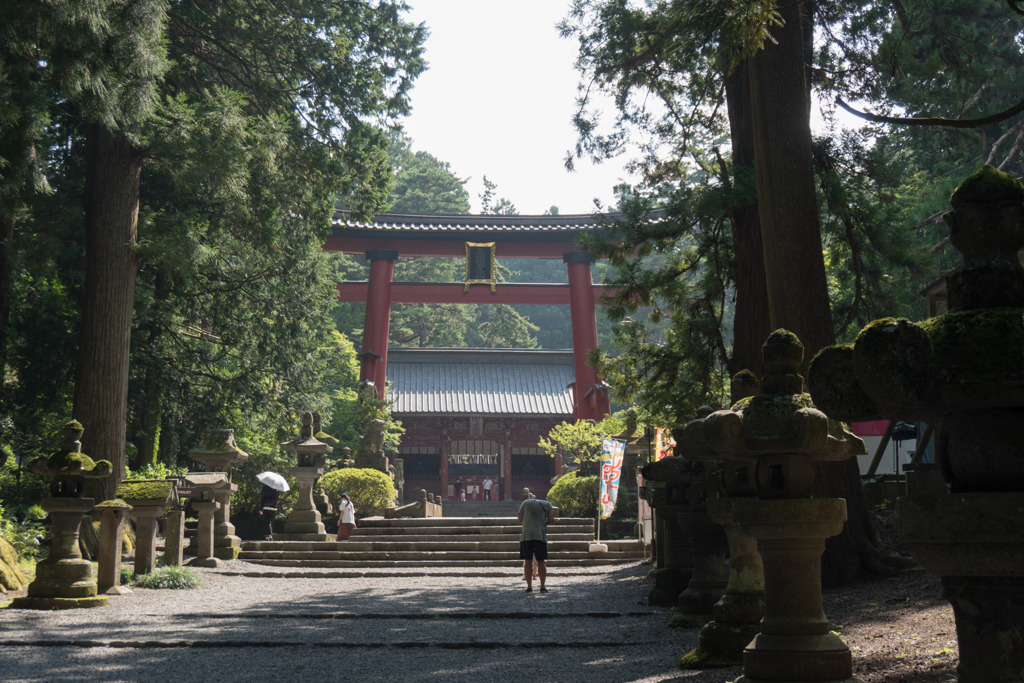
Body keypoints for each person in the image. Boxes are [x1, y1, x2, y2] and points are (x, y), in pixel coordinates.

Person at [517, 496, 554, 593]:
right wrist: (543, 524)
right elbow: (551, 519)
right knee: (541, 561)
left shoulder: (525, 503)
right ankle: (542, 586)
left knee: (527, 561)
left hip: (526, 535)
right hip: (540, 535)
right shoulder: (548, 504)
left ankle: (529, 586)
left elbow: (520, 518)